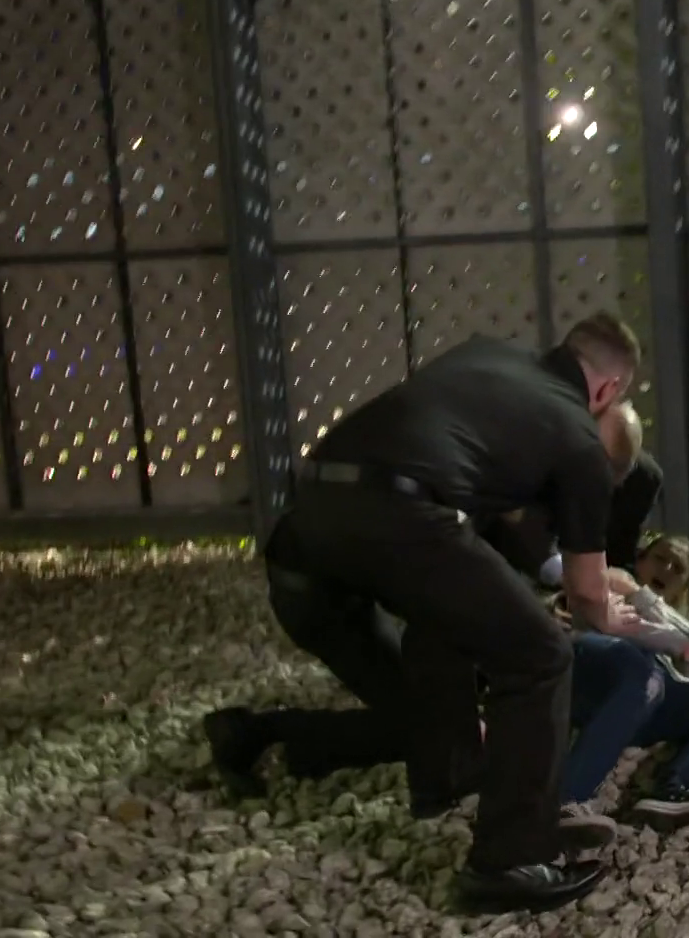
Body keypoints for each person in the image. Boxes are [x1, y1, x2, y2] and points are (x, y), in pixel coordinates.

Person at [202, 314, 646, 916]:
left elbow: (476, 550)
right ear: (608, 390)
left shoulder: (485, 355)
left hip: (307, 528)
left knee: (430, 703)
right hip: (400, 517)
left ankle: (433, 773)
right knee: (541, 657)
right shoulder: (578, 436)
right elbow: (588, 591)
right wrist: (613, 619)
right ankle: (510, 862)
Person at [543, 534, 689, 833]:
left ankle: (674, 787)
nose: (667, 570)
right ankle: (564, 799)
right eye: (660, 558)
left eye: (679, 568)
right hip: (592, 675)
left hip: (647, 700)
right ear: (640, 560)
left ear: (685, 586)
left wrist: (647, 603)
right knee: (644, 673)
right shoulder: (614, 579)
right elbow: (609, 617)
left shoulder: (676, 623)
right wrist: (637, 595)